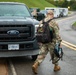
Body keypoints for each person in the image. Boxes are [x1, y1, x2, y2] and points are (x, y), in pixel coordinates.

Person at [32, 10, 62, 74]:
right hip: (51, 42)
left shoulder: (41, 22)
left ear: (47, 14)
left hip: (43, 41)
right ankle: (56, 66)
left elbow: (38, 32)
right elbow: (57, 34)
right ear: (52, 15)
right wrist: (59, 42)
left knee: (42, 54)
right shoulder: (53, 22)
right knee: (54, 55)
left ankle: (36, 64)